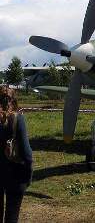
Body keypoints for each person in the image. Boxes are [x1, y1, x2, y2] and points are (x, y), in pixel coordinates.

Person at [0, 86, 33, 222]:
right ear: (13, 101)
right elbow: (27, 153)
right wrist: (29, 175)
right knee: (12, 215)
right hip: (15, 174)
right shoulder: (17, 119)